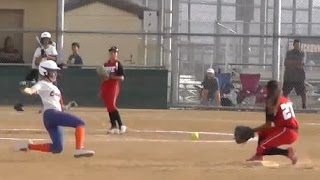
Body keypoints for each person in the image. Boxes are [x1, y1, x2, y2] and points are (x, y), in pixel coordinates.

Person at [16, 60, 95, 158]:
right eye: (52, 72)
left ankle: (28, 146)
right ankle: (79, 148)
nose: (55, 74)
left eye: (55, 72)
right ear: (44, 72)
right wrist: (25, 89)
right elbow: (32, 90)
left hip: (53, 116)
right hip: (51, 114)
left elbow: (61, 107)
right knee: (80, 123)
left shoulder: (56, 88)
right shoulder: (42, 83)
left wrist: (67, 106)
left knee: (57, 148)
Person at [247, 80, 299, 164]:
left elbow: (268, 124)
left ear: (268, 90)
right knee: (263, 132)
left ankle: (287, 153)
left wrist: (252, 130)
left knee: (262, 147)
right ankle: (258, 156)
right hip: (290, 130)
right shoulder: (284, 99)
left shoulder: (271, 102)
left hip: (287, 132)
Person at [99, 46, 126, 134]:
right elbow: (103, 78)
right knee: (109, 107)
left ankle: (121, 124)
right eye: (111, 52)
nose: (113, 54)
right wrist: (104, 79)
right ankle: (113, 126)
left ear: (117, 54)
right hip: (105, 86)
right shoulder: (105, 65)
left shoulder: (118, 64)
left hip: (113, 86)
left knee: (112, 105)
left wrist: (111, 77)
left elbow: (121, 78)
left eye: (115, 53)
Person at [283, 39, 306, 109]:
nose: (297, 46)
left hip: (299, 77)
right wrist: (295, 63)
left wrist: (292, 63)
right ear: (293, 45)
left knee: (303, 92)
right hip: (289, 76)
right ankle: (284, 105)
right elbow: (286, 63)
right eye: (296, 45)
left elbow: (301, 63)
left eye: (298, 45)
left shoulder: (302, 53)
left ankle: (304, 105)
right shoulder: (289, 53)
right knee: (285, 92)